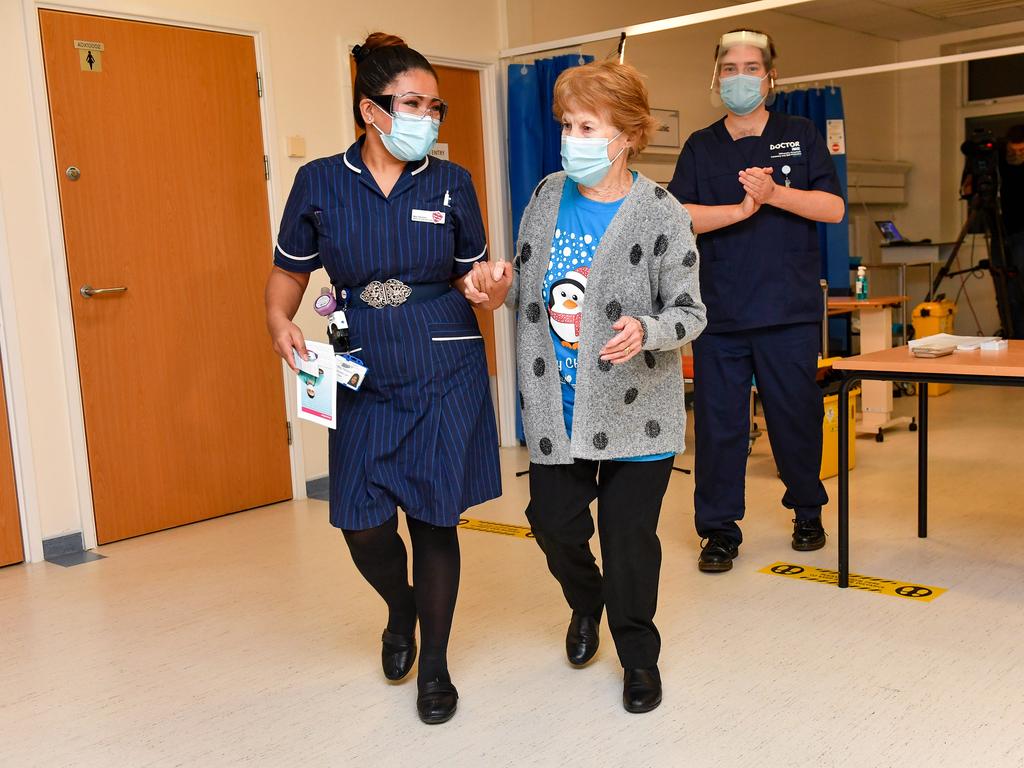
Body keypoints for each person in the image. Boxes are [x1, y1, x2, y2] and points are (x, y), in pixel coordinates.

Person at [263, 32, 502, 725]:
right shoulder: (321, 181)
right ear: (372, 110)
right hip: (359, 359)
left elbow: (472, 274)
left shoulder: (452, 182)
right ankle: (401, 609)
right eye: (414, 103)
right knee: (362, 524)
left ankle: (435, 663)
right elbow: (289, 274)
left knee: (433, 517)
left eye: (436, 106)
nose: (428, 117)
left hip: (443, 360)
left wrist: (487, 287)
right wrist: (281, 322)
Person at [471, 60, 706, 713]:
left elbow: (691, 312)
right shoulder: (548, 195)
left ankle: (638, 658)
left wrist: (648, 328)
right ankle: (586, 601)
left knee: (629, 544)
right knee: (552, 525)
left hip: (638, 415)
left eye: (586, 126)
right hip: (558, 408)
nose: (570, 138)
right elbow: (524, 286)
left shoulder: (661, 213)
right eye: (567, 125)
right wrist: (497, 289)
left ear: (627, 134)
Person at [667, 29, 845, 573]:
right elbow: (679, 217)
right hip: (720, 313)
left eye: (750, 67)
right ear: (716, 77)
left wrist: (773, 196)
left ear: (771, 78)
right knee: (719, 428)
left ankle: (807, 511)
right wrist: (740, 211)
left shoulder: (801, 133)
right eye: (729, 68)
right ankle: (718, 530)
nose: (739, 77)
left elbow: (833, 209)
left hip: (787, 310)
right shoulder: (701, 145)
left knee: (796, 418)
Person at [999, 124, 1024, 333]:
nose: (1017, 155)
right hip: (1005, 228)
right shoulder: (1000, 159)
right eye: (1013, 151)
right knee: (1006, 287)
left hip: (1021, 234)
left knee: (1020, 286)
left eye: (1022, 151)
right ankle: (1011, 331)